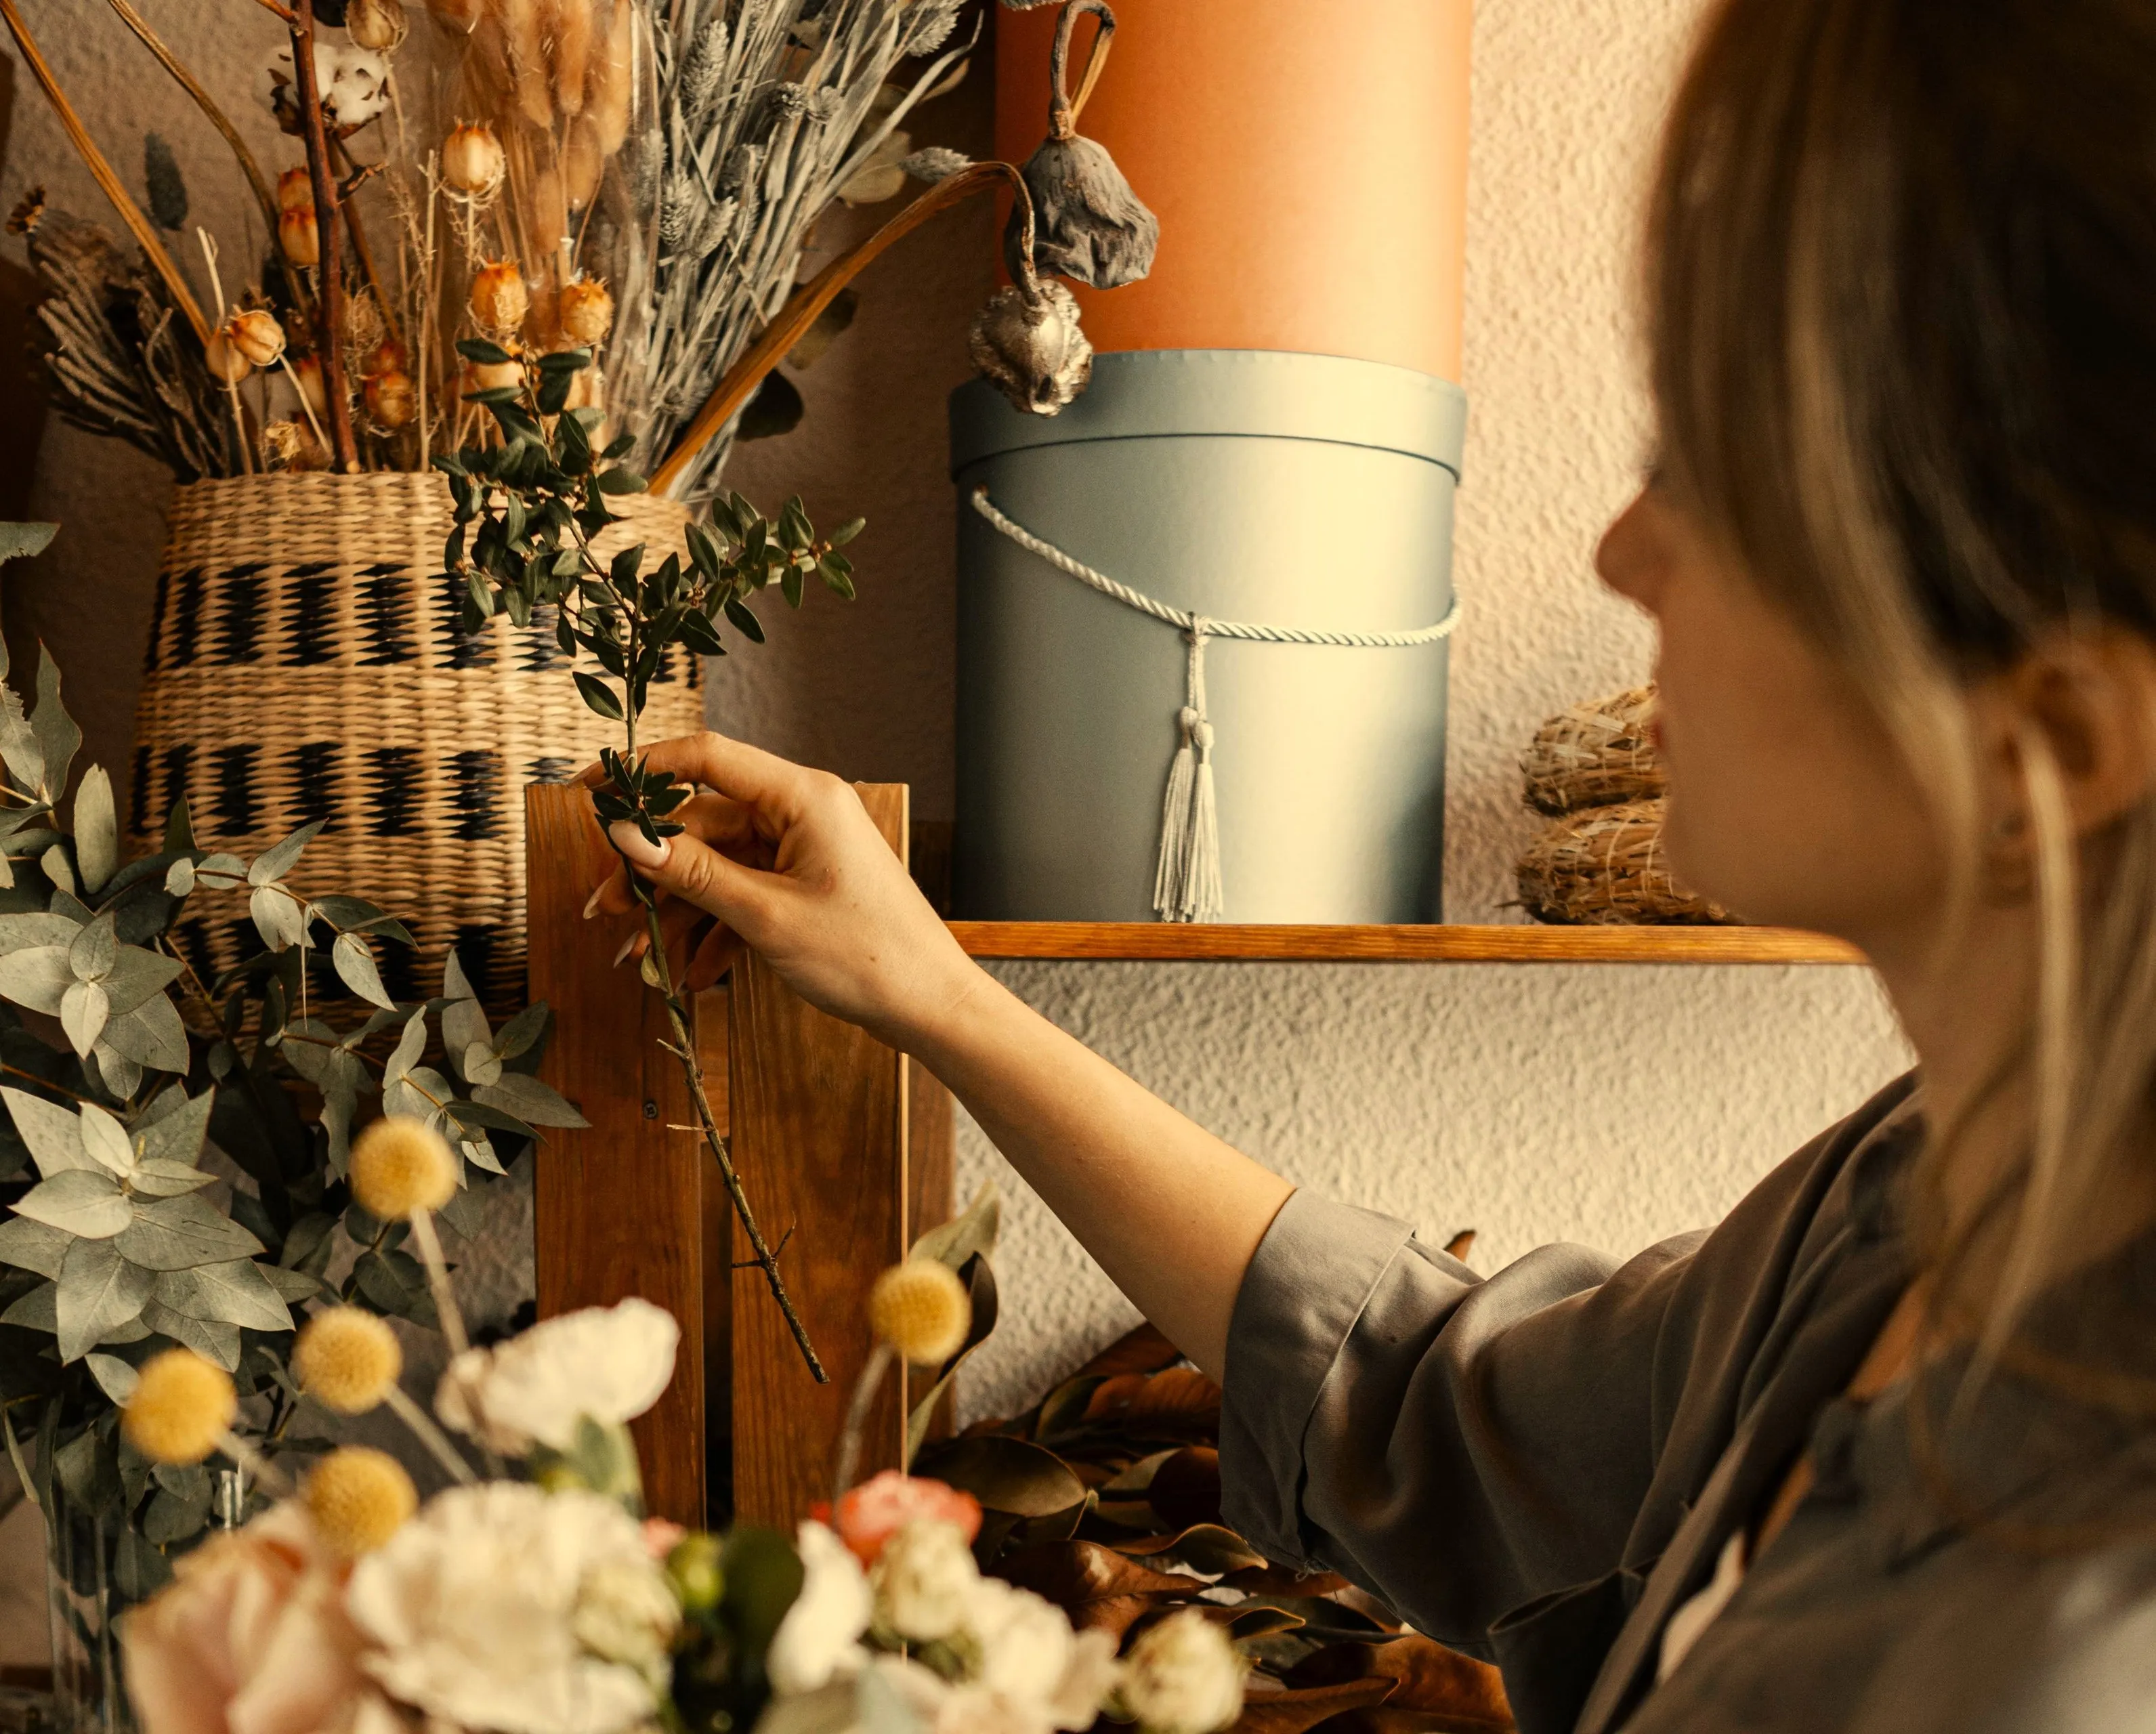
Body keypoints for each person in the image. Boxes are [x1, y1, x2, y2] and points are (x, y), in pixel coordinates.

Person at [580, 1, 2156, 1727]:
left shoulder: (2080, 1624)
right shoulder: (1915, 1193)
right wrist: (933, 992)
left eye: (1718, 468)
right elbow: (1439, 1406)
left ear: (2058, 733)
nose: (1622, 551)